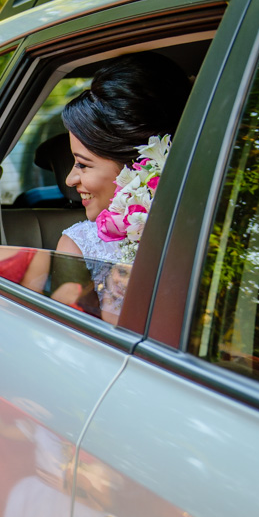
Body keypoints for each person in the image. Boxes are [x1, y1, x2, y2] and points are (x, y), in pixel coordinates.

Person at [54, 52, 192, 322]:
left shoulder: (207, 233)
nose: (70, 179)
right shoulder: (78, 246)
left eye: (83, 164)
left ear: (136, 168)